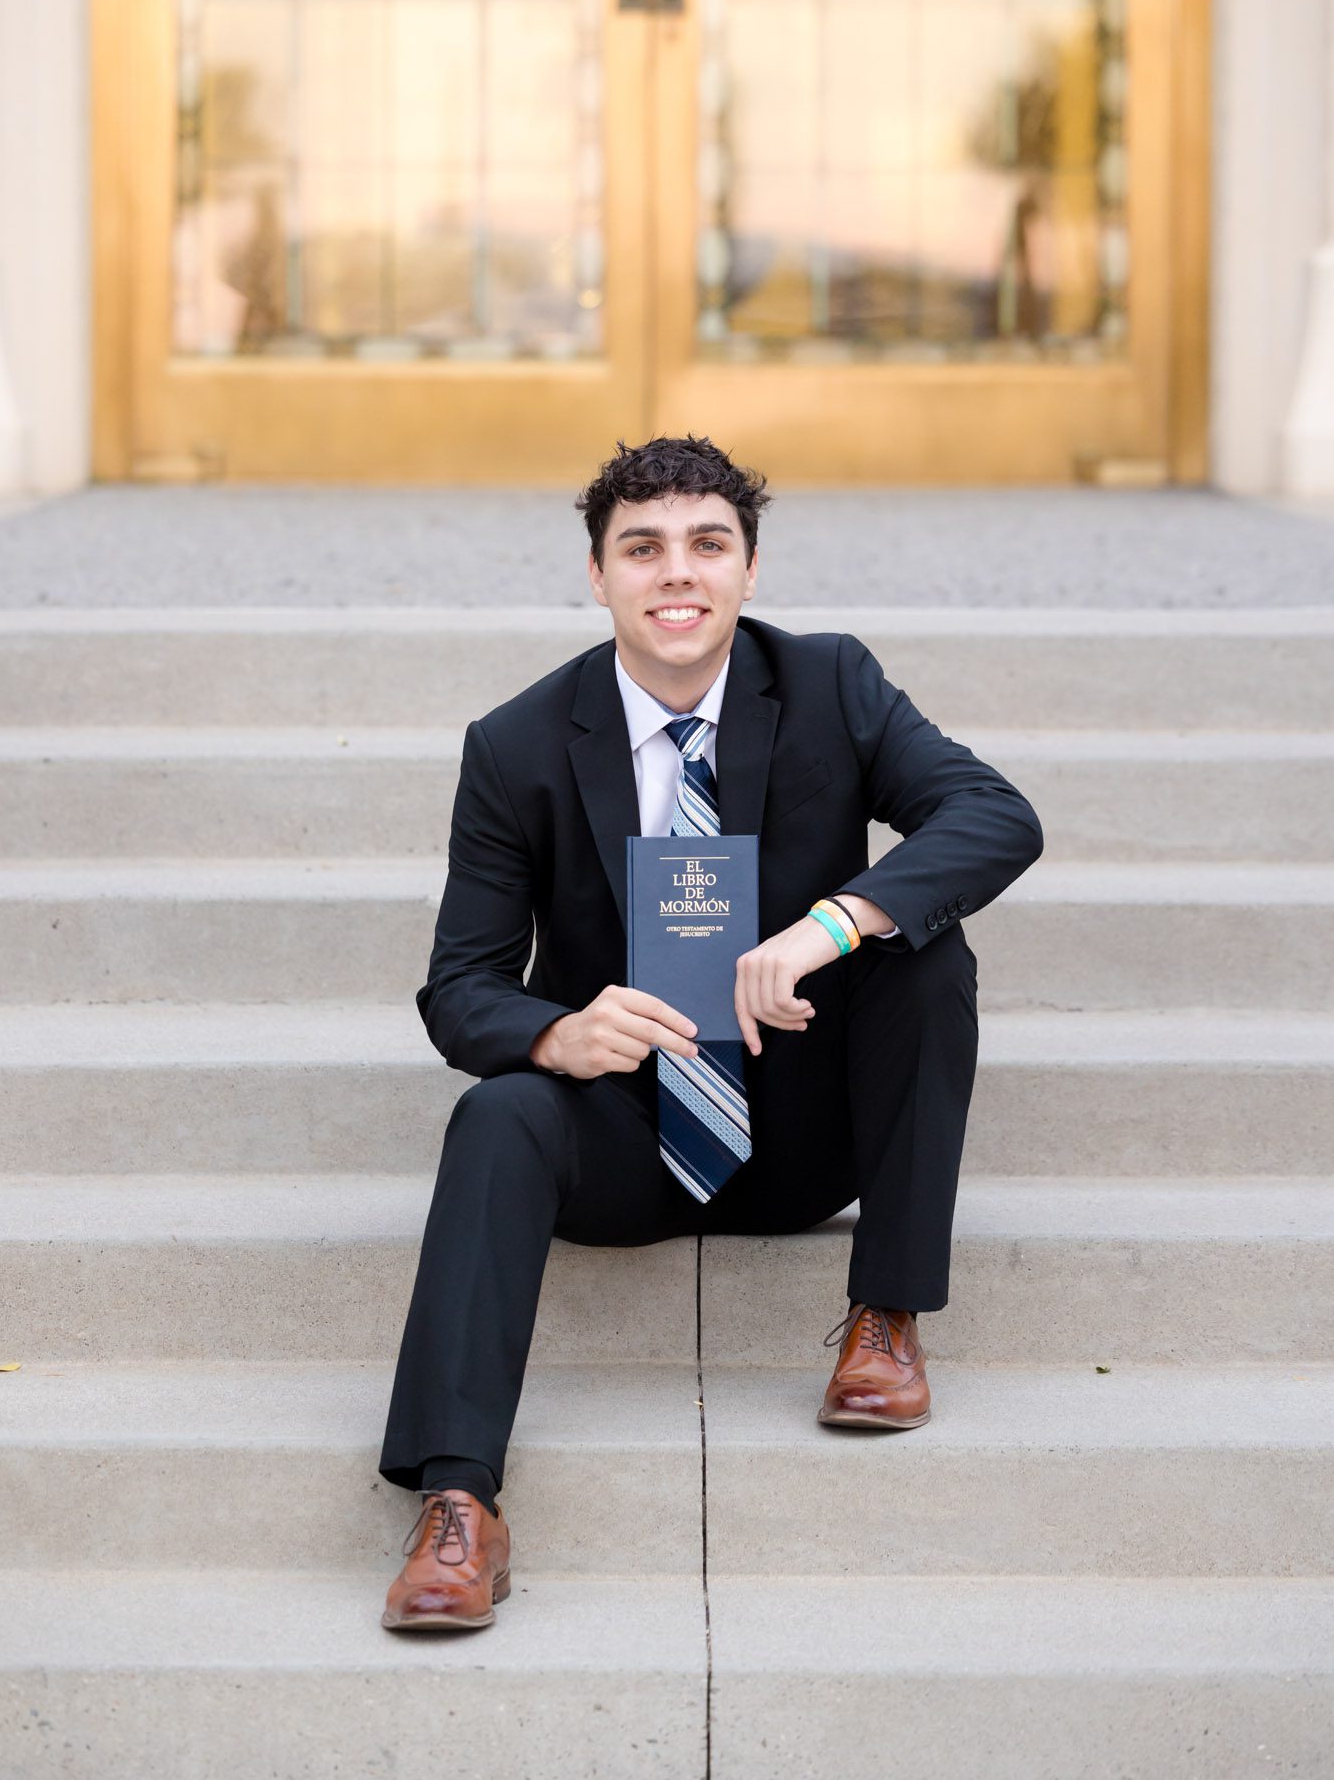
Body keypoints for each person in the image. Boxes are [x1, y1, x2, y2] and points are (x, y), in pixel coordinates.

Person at [378, 435, 1044, 1631]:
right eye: (642, 548)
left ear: (749, 568)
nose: (676, 572)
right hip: (624, 1132)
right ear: (598, 575)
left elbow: (994, 812)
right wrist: (558, 1032)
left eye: (707, 544)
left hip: (803, 1123)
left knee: (924, 950)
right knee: (497, 1110)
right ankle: (458, 1501)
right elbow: (460, 986)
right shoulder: (518, 743)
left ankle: (885, 1322)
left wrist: (835, 922)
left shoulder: (830, 682)